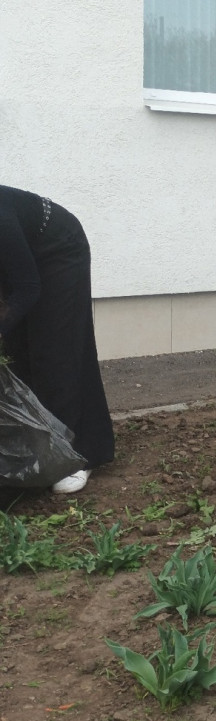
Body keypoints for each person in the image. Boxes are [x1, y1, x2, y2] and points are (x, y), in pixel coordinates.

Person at [0, 186, 114, 492]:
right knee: (16, 353)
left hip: (60, 249)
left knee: (56, 351)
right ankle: (35, 451)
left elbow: (27, 288)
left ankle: (79, 455)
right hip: (19, 256)